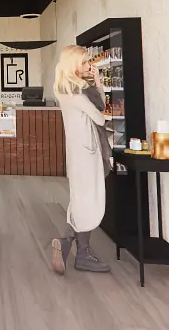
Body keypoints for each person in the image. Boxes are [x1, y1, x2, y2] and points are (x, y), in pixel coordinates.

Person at [50, 45, 111, 274]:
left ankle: (75, 248)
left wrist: (94, 82)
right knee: (88, 202)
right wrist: (97, 82)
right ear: (75, 65)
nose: (89, 66)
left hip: (77, 153)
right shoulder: (77, 94)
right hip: (88, 153)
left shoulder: (64, 90)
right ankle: (77, 249)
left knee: (80, 200)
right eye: (85, 62)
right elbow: (100, 116)